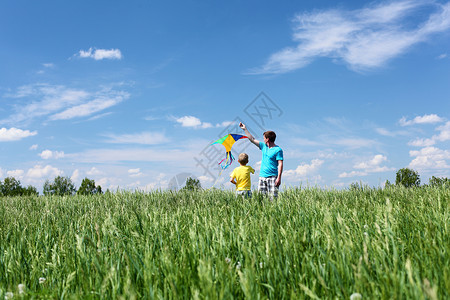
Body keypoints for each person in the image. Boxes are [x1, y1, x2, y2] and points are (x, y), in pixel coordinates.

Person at [239, 122, 283, 198]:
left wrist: (279, 177)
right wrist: (245, 129)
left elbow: (280, 164)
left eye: (264, 138)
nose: (263, 139)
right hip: (262, 177)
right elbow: (252, 139)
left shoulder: (278, 150)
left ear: (267, 139)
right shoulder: (263, 146)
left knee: (273, 199)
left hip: (273, 177)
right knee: (261, 199)